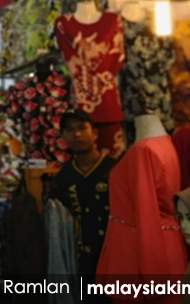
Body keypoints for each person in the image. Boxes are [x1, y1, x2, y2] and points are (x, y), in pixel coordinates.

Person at [54, 109, 115, 282]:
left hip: (114, 257)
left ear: (95, 133)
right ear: (63, 137)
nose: (77, 134)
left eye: (82, 128)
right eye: (70, 130)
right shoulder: (64, 176)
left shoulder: (114, 169)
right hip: (81, 263)